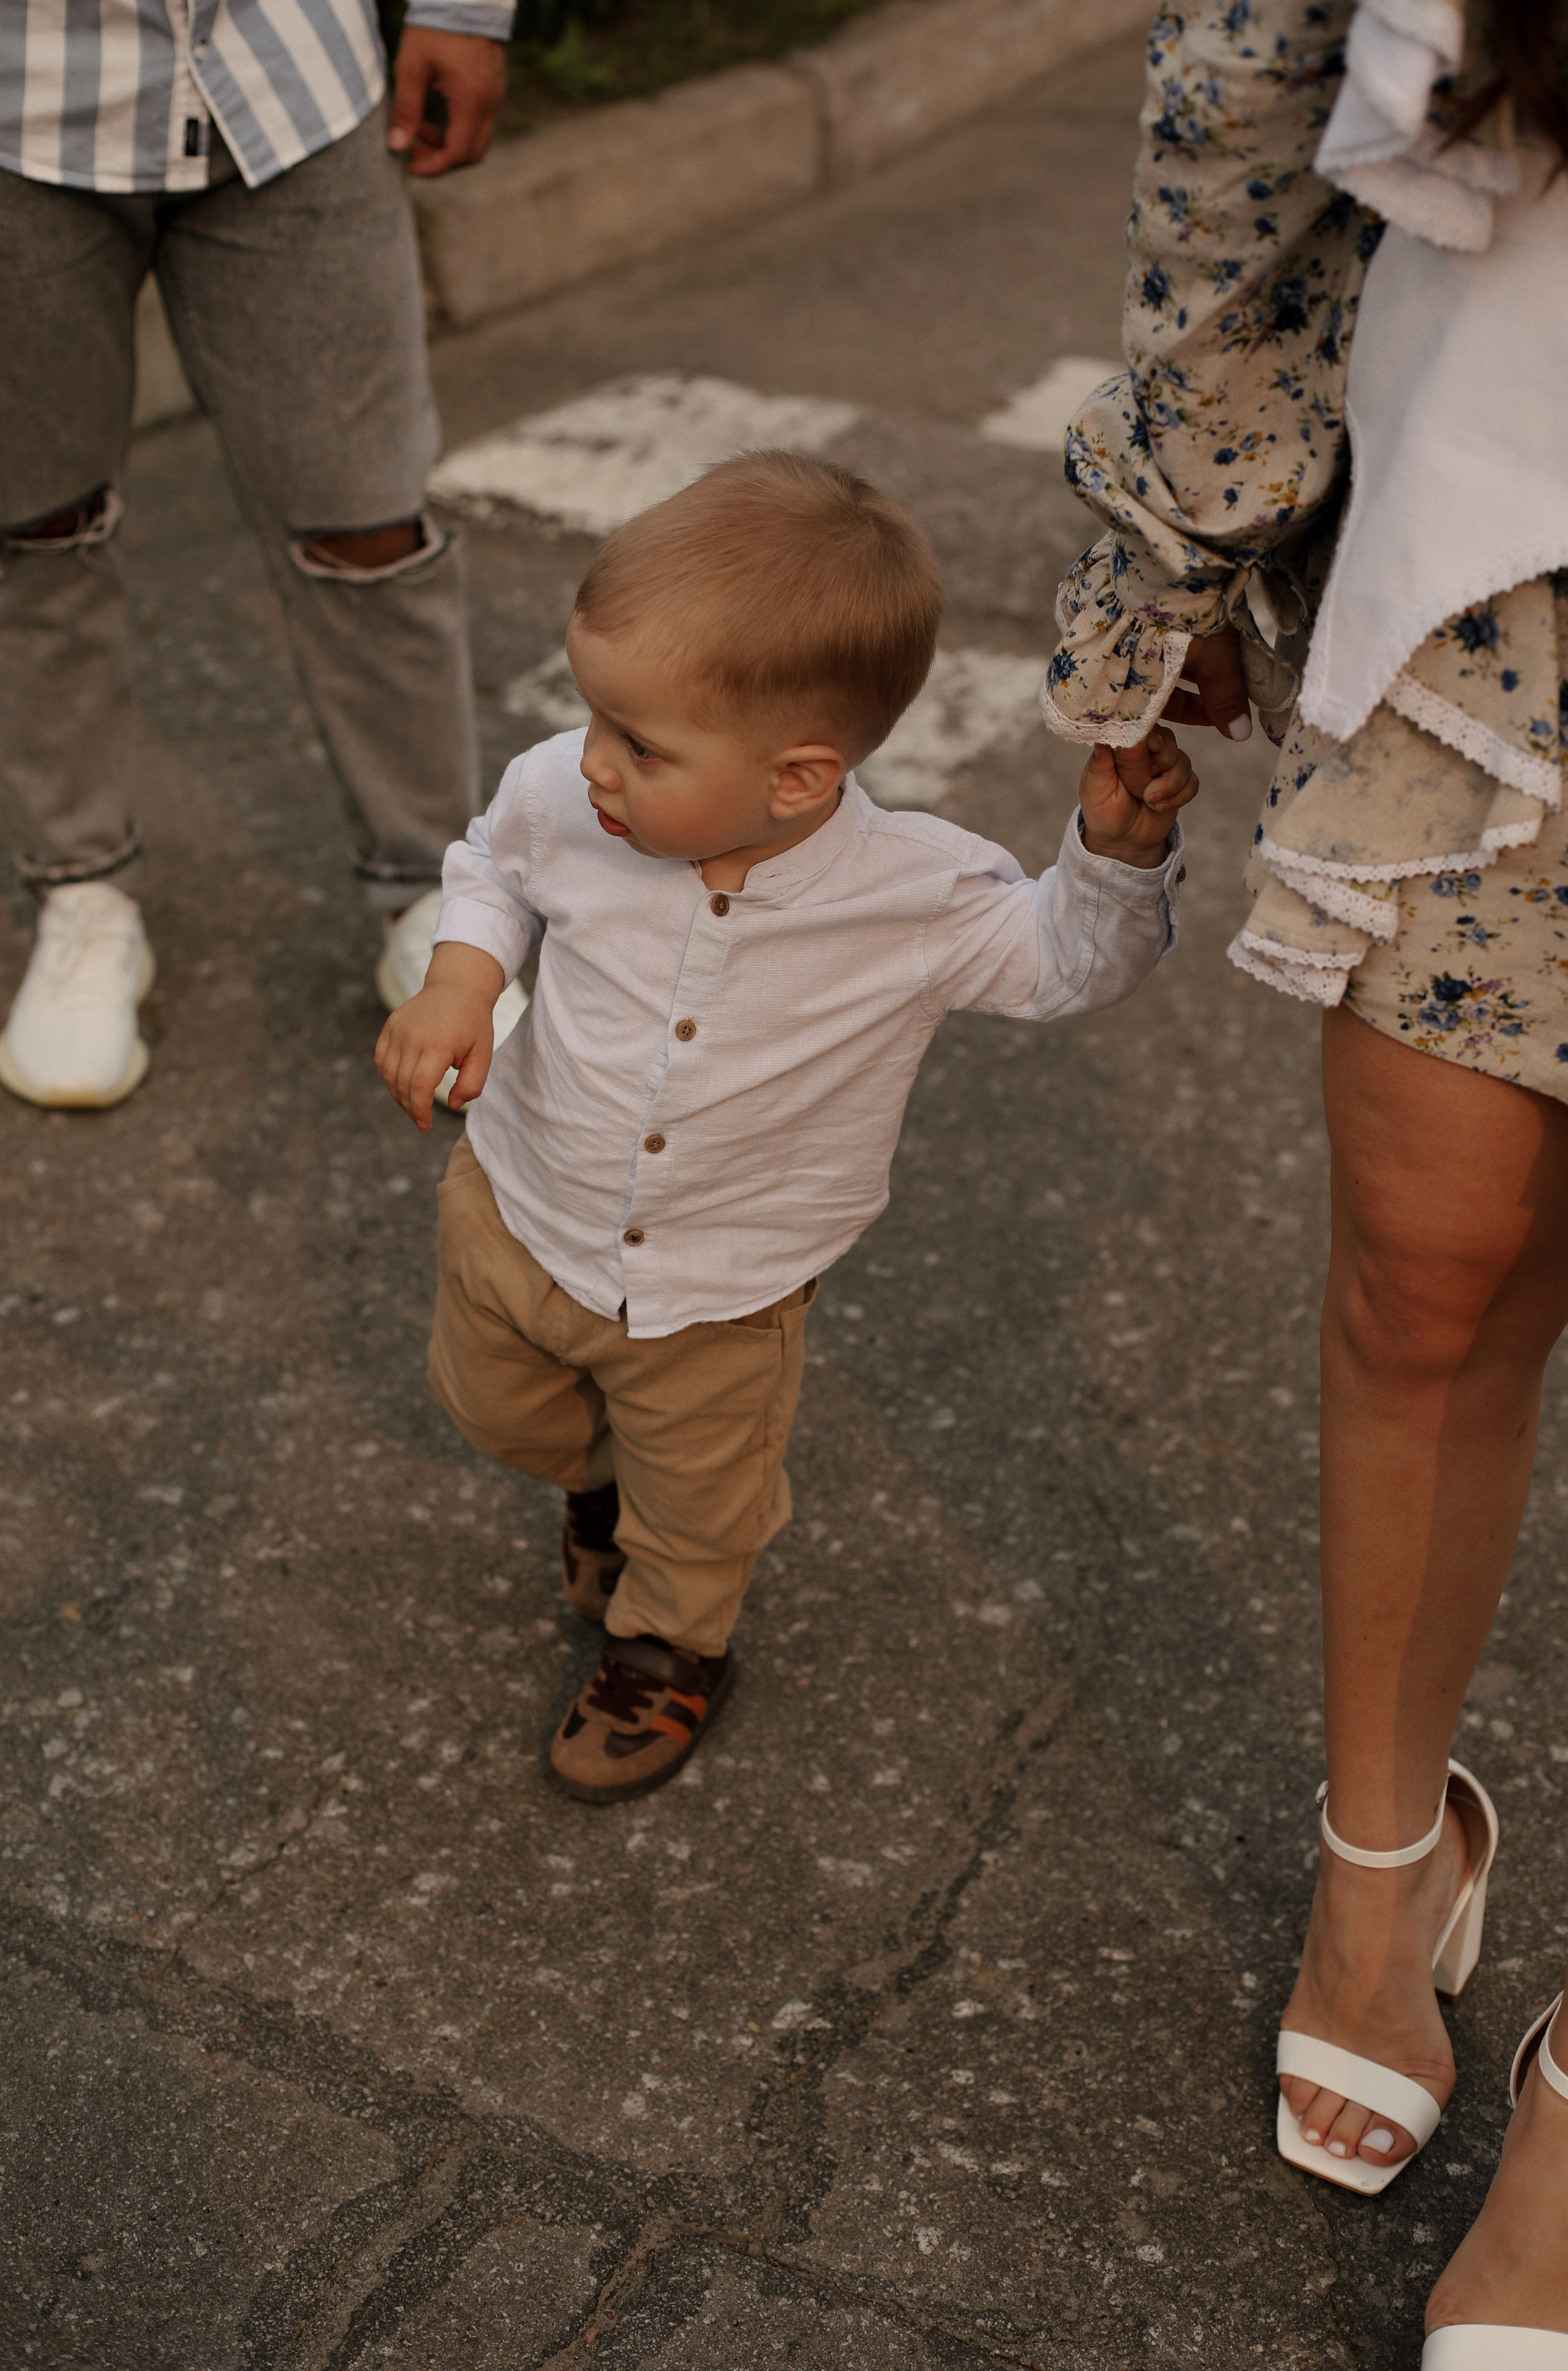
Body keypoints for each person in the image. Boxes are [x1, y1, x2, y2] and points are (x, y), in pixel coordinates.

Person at [1041, 1, 1568, 2359]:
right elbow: (1245, 103)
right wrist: (1163, 570)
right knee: (1429, 1271)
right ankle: (1387, 1860)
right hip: (1521, 609)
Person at [376, 451, 1197, 1803]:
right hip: (519, 1202)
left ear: (800, 778)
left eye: (639, 744)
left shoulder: (913, 894)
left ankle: (666, 1647)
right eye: (593, 716)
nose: (592, 764)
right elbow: (492, 864)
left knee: (699, 1507)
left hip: (722, 1285)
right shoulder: (564, 801)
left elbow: (1063, 965)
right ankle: (593, 1487)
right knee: (497, 1408)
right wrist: (465, 979)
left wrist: (1107, 859)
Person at [0, 0, 523, 1111]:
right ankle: (84, 897)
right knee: (37, 524)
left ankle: (439, 905)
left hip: (291, 78)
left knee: (367, 522)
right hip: (9, 103)